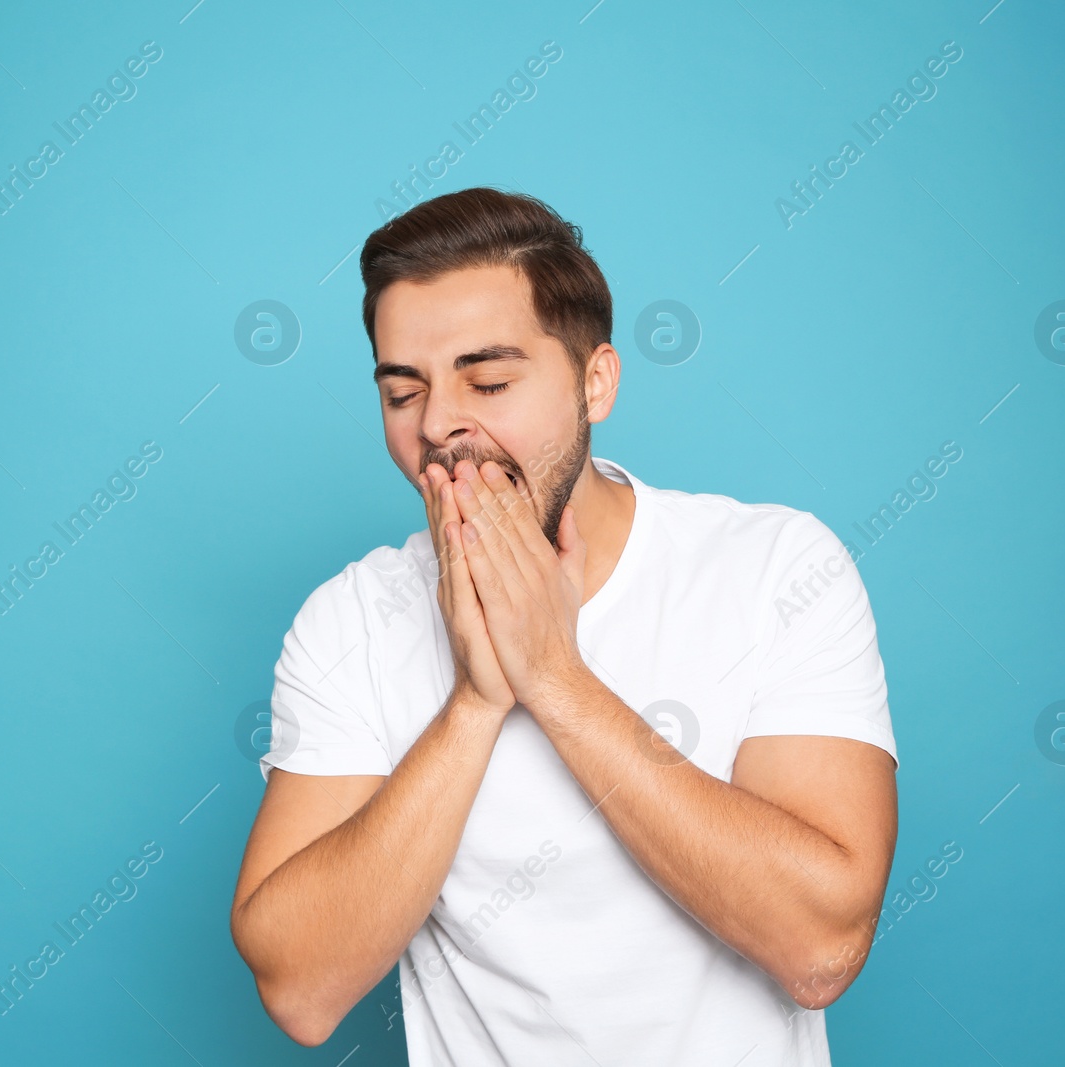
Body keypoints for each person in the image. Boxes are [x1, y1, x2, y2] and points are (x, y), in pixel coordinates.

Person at [230, 187, 899, 1066]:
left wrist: (554, 676)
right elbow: (300, 989)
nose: (438, 427)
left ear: (596, 382)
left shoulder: (776, 568)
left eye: (490, 381)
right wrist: (475, 701)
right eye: (403, 393)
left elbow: (823, 948)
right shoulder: (350, 620)